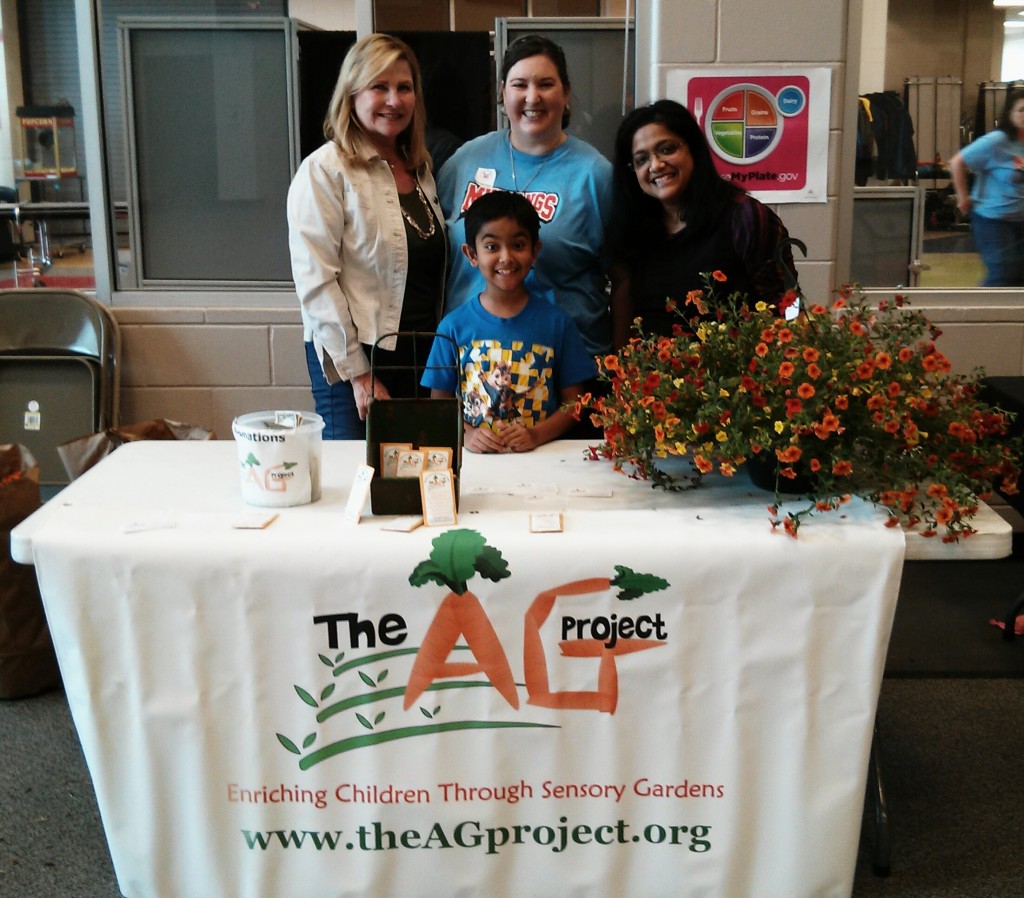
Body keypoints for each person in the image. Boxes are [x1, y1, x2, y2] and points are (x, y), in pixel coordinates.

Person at [287, 34, 446, 439]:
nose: (394, 100)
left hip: (421, 356)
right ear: (352, 93)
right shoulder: (325, 171)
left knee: (415, 478)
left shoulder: (421, 170)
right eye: (380, 86)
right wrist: (359, 374)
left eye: (404, 88)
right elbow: (316, 284)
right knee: (359, 481)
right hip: (355, 357)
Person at [436, 35, 615, 361]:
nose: (533, 97)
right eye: (520, 85)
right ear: (503, 92)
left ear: (566, 92)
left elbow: (624, 275)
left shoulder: (594, 174)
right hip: (470, 359)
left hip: (567, 367)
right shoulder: (465, 161)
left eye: (546, 84)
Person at [420, 191, 596, 454]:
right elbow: (437, 407)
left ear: (535, 251)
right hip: (476, 464)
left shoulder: (558, 323)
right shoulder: (452, 327)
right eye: (492, 247)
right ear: (471, 254)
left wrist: (536, 435)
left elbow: (576, 404)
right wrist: (466, 435)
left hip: (542, 462)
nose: (506, 257)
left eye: (518, 245)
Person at [610, 99, 796, 341]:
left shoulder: (746, 219)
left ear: (693, 149)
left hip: (735, 375)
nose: (655, 165)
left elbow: (790, 307)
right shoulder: (631, 231)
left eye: (667, 149)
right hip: (652, 376)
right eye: (641, 159)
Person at [950, 87, 1024, 287]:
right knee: (1002, 273)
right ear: (1010, 113)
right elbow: (957, 162)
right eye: (1021, 110)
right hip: (993, 220)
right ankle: (977, 313)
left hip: (1020, 219)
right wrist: (963, 197)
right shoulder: (996, 141)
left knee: (1019, 277)